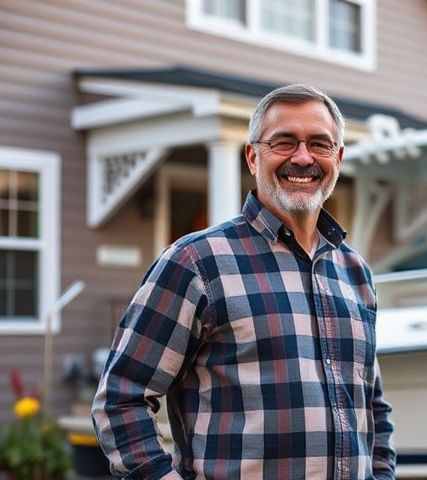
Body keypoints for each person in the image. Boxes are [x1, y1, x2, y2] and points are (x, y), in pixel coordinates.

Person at [92, 84, 396, 480]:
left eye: (319, 144)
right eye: (284, 142)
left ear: (338, 158)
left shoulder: (354, 271)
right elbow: (120, 399)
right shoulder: (196, 263)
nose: (303, 157)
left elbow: (371, 405)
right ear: (253, 157)